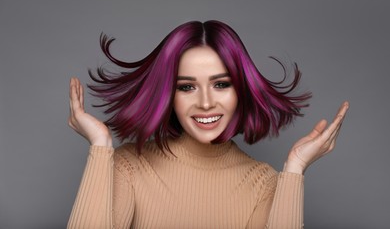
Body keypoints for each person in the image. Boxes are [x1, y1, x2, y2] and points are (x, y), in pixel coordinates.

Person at [67, 20, 349, 229]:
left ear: (241, 90)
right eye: (187, 87)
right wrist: (101, 146)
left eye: (221, 84)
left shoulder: (264, 184)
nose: (205, 102)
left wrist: (295, 170)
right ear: (168, 95)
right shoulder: (128, 166)